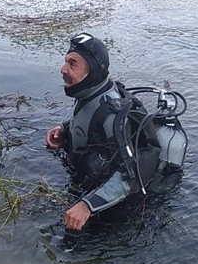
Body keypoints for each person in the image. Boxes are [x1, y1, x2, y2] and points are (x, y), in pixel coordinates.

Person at [46, 33, 188, 231]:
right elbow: (89, 121)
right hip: (83, 179)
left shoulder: (112, 116)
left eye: (73, 64)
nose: (63, 69)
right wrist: (64, 128)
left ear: (93, 71)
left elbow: (129, 175)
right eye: (65, 61)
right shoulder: (91, 93)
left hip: (114, 207)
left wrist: (87, 206)